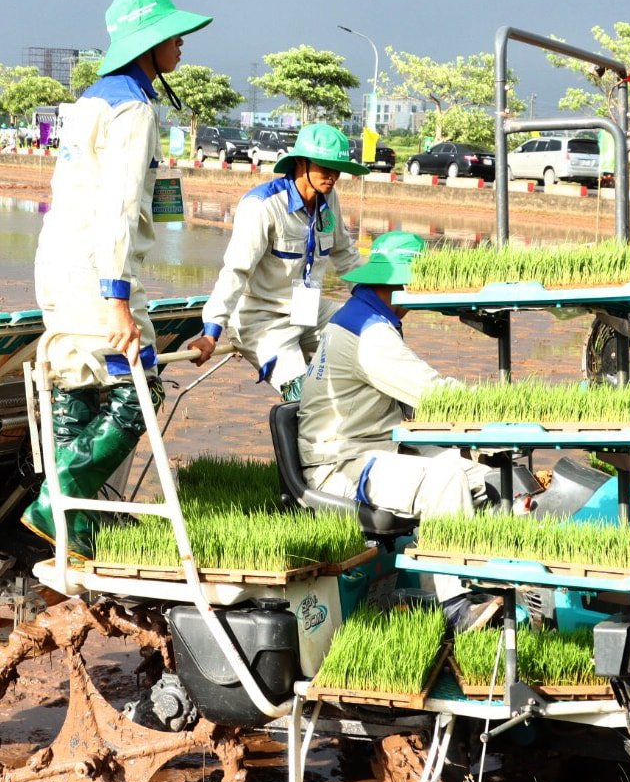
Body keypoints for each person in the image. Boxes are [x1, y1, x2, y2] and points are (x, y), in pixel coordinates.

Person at [21, 0, 212, 553]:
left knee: (74, 379)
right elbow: (122, 207)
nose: (181, 45)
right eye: (172, 36)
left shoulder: (90, 101)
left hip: (57, 261)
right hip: (93, 272)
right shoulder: (134, 109)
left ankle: (70, 522)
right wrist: (118, 300)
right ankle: (58, 499)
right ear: (146, 45)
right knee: (141, 388)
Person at [297, 231, 492, 518]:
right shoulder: (369, 334)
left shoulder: (362, 316)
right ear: (404, 281)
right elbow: (433, 395)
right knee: (446, 480)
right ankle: (450, 559)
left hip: (375, 450)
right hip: (342, 466)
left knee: (484, 476)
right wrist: (503, 403)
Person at [188, 123, 365, 398]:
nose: (333, 176)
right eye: (325, 166)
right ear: (301, 163)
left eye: (337, 168)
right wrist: (211, 331)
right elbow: (236, 271)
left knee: (372, 336)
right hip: (263, 319)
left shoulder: (328, 198)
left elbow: (345, 253)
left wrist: (376, 302)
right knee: (302, 397)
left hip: (309, 312)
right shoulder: (262, 206)